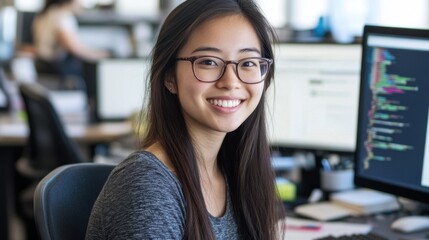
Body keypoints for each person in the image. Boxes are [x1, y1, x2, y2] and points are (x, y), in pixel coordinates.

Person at [86, 0, 284, 239]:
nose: (231, 82)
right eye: (208, 62)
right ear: (169, 77)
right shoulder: (149, 185)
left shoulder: (236, 170)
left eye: (249, 63)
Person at [32, 0, 109, 80]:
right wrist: (102, 55)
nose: (81, 3)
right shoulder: (63, 16)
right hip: (56, 70)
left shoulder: (46, 13)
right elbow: (74, 48)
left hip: (41, 66)